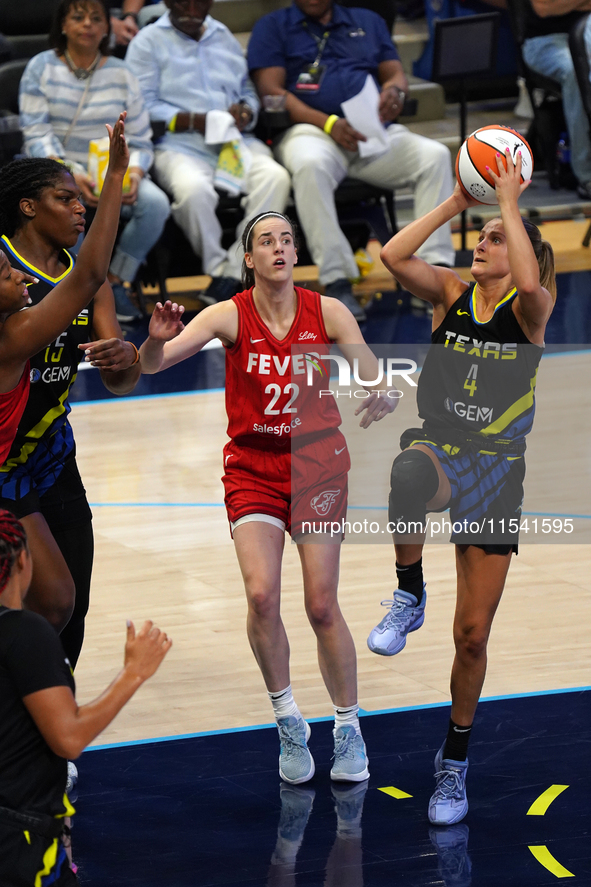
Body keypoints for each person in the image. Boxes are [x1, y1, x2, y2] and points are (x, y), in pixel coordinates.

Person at [139, 210, 396, 784]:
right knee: (260, 597)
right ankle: (286, 718)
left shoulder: (326, 310)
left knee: (321, 604)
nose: (279, 247)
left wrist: (384, 393)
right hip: (253, 467)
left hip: (317, 466)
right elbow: (151, 367)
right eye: (266, 241)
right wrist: (153, 343)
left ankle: (348, 725)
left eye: (286, 239)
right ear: (249, 259)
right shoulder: (226, 315)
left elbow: (373, 374)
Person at [367, 150, 556, 824]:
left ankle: (453, 763)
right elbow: (391, 255)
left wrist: (508, 199)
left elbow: (531, 283)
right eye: (479, 236)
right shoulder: (449, 293)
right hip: (443, 450)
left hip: (498, 471)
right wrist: (456, 202)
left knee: (472, 635)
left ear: (523, 254)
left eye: (494, 238)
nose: (480, 242)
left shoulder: (528, 308)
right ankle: (407, 592)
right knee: (407, 469)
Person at [0, 127, 141, 671]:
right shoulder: (5, 274)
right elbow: (90, 272)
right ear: (28, 206)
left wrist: (125, 356)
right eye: (65, 199)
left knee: (70, 599)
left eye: (82, 201)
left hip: (51, 452)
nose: (78, 209)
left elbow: (119, 380)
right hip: (2, 456)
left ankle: (55, 725)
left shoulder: (90, 280)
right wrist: (113, 176)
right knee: (39, 595)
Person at [247, 0, 456, 323]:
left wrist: (394, 92)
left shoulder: (368, 20)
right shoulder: (273, 26)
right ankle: (338, 278)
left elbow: (395, 73)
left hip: (369, 131)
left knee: (435, 156)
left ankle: (431, 275)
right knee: (310, 165)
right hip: (312, 132)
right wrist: (328, 123)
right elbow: (270, 91)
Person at [0, 509, 171, 887]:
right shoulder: (26, 633)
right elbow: (70, 737)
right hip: (18, 844)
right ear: (23, 560)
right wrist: (134, 672)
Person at [125, 0, 291, 304]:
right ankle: (218, 268)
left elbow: (247, 90)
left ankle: (233, 272)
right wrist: (194, 120)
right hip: (180, 144)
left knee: (275, 177)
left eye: (198, 2)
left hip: (233, 141)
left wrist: (246, 111)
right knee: (193, 190)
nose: (191, 8)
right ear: (167, 2)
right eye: (182, 1)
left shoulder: (223, 35)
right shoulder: (146, 42)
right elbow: (142, 107)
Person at [19, 0, 171, 323]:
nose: (87, 23)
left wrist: (136, 174)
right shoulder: (40, 68)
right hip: (58, 171)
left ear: (106, 29)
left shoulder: (123, 72)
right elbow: (36, 134)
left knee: (155, 205)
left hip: (113, 170)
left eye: (96, 18)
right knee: (64, 208)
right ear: (62, 25)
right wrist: (69, 176)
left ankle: (113, 283)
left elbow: (141, 139)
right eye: (78, 16)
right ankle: (78, 292)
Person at [521, 0, 591, 198]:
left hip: (588, 31)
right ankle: (586, 175)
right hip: (545, 42)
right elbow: (544, 7)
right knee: (576, 72)